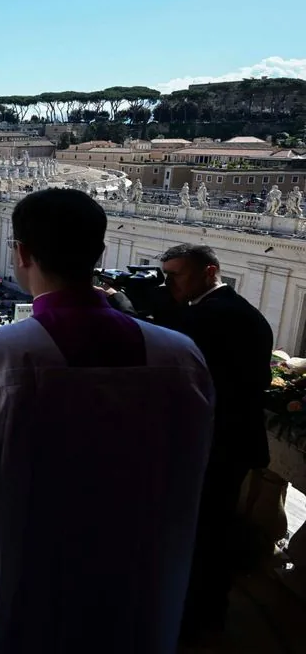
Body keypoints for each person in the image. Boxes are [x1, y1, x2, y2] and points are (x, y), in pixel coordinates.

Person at [0, 189, 214, 654]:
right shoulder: (181, 355)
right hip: (137, 574)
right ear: (99, 253)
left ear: (22, 253)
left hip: (23, 572)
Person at [153, 243, 274, 643]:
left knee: (205, 532)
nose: (167, 283)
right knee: (208, 529)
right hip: (224, 442)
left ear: (209, 272)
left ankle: (199, 615)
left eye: (175, 275)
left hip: (219, 444)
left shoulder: (217, 315)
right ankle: (202, 610)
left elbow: (178, 349)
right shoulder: (228, 310)